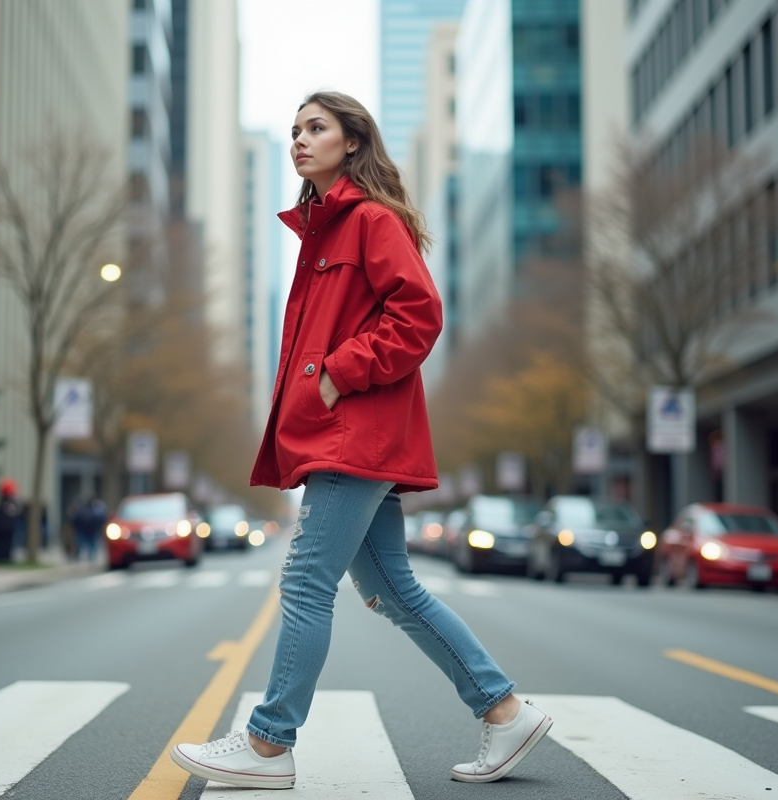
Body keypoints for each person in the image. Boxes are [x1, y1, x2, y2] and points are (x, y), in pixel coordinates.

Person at [170, 92, 553, 790]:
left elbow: (419, 314)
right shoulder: (325, 232)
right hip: (350, 433)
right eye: (295, 129)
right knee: (392, 588)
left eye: (316, 127)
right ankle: (504, 711)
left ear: (352, 141)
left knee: (306, 581)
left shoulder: (370, 220)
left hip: (355, 433)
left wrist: (337, 374)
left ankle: (268, 745)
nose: (300, 139)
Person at [0, 478, 21, 564]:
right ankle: (4, 559)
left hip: (4, 529)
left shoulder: (4, 503)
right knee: (4, 546)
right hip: (4, 529)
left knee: (4, 546)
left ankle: (4, 559)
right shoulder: (7, 503)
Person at [71, 495, 106, 563]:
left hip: (89, 530)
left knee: (88, 544)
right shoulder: (85, 510)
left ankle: (90, 557)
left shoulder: (94, 510)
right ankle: (85, 556)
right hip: (85, 530)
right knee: (83, 544)